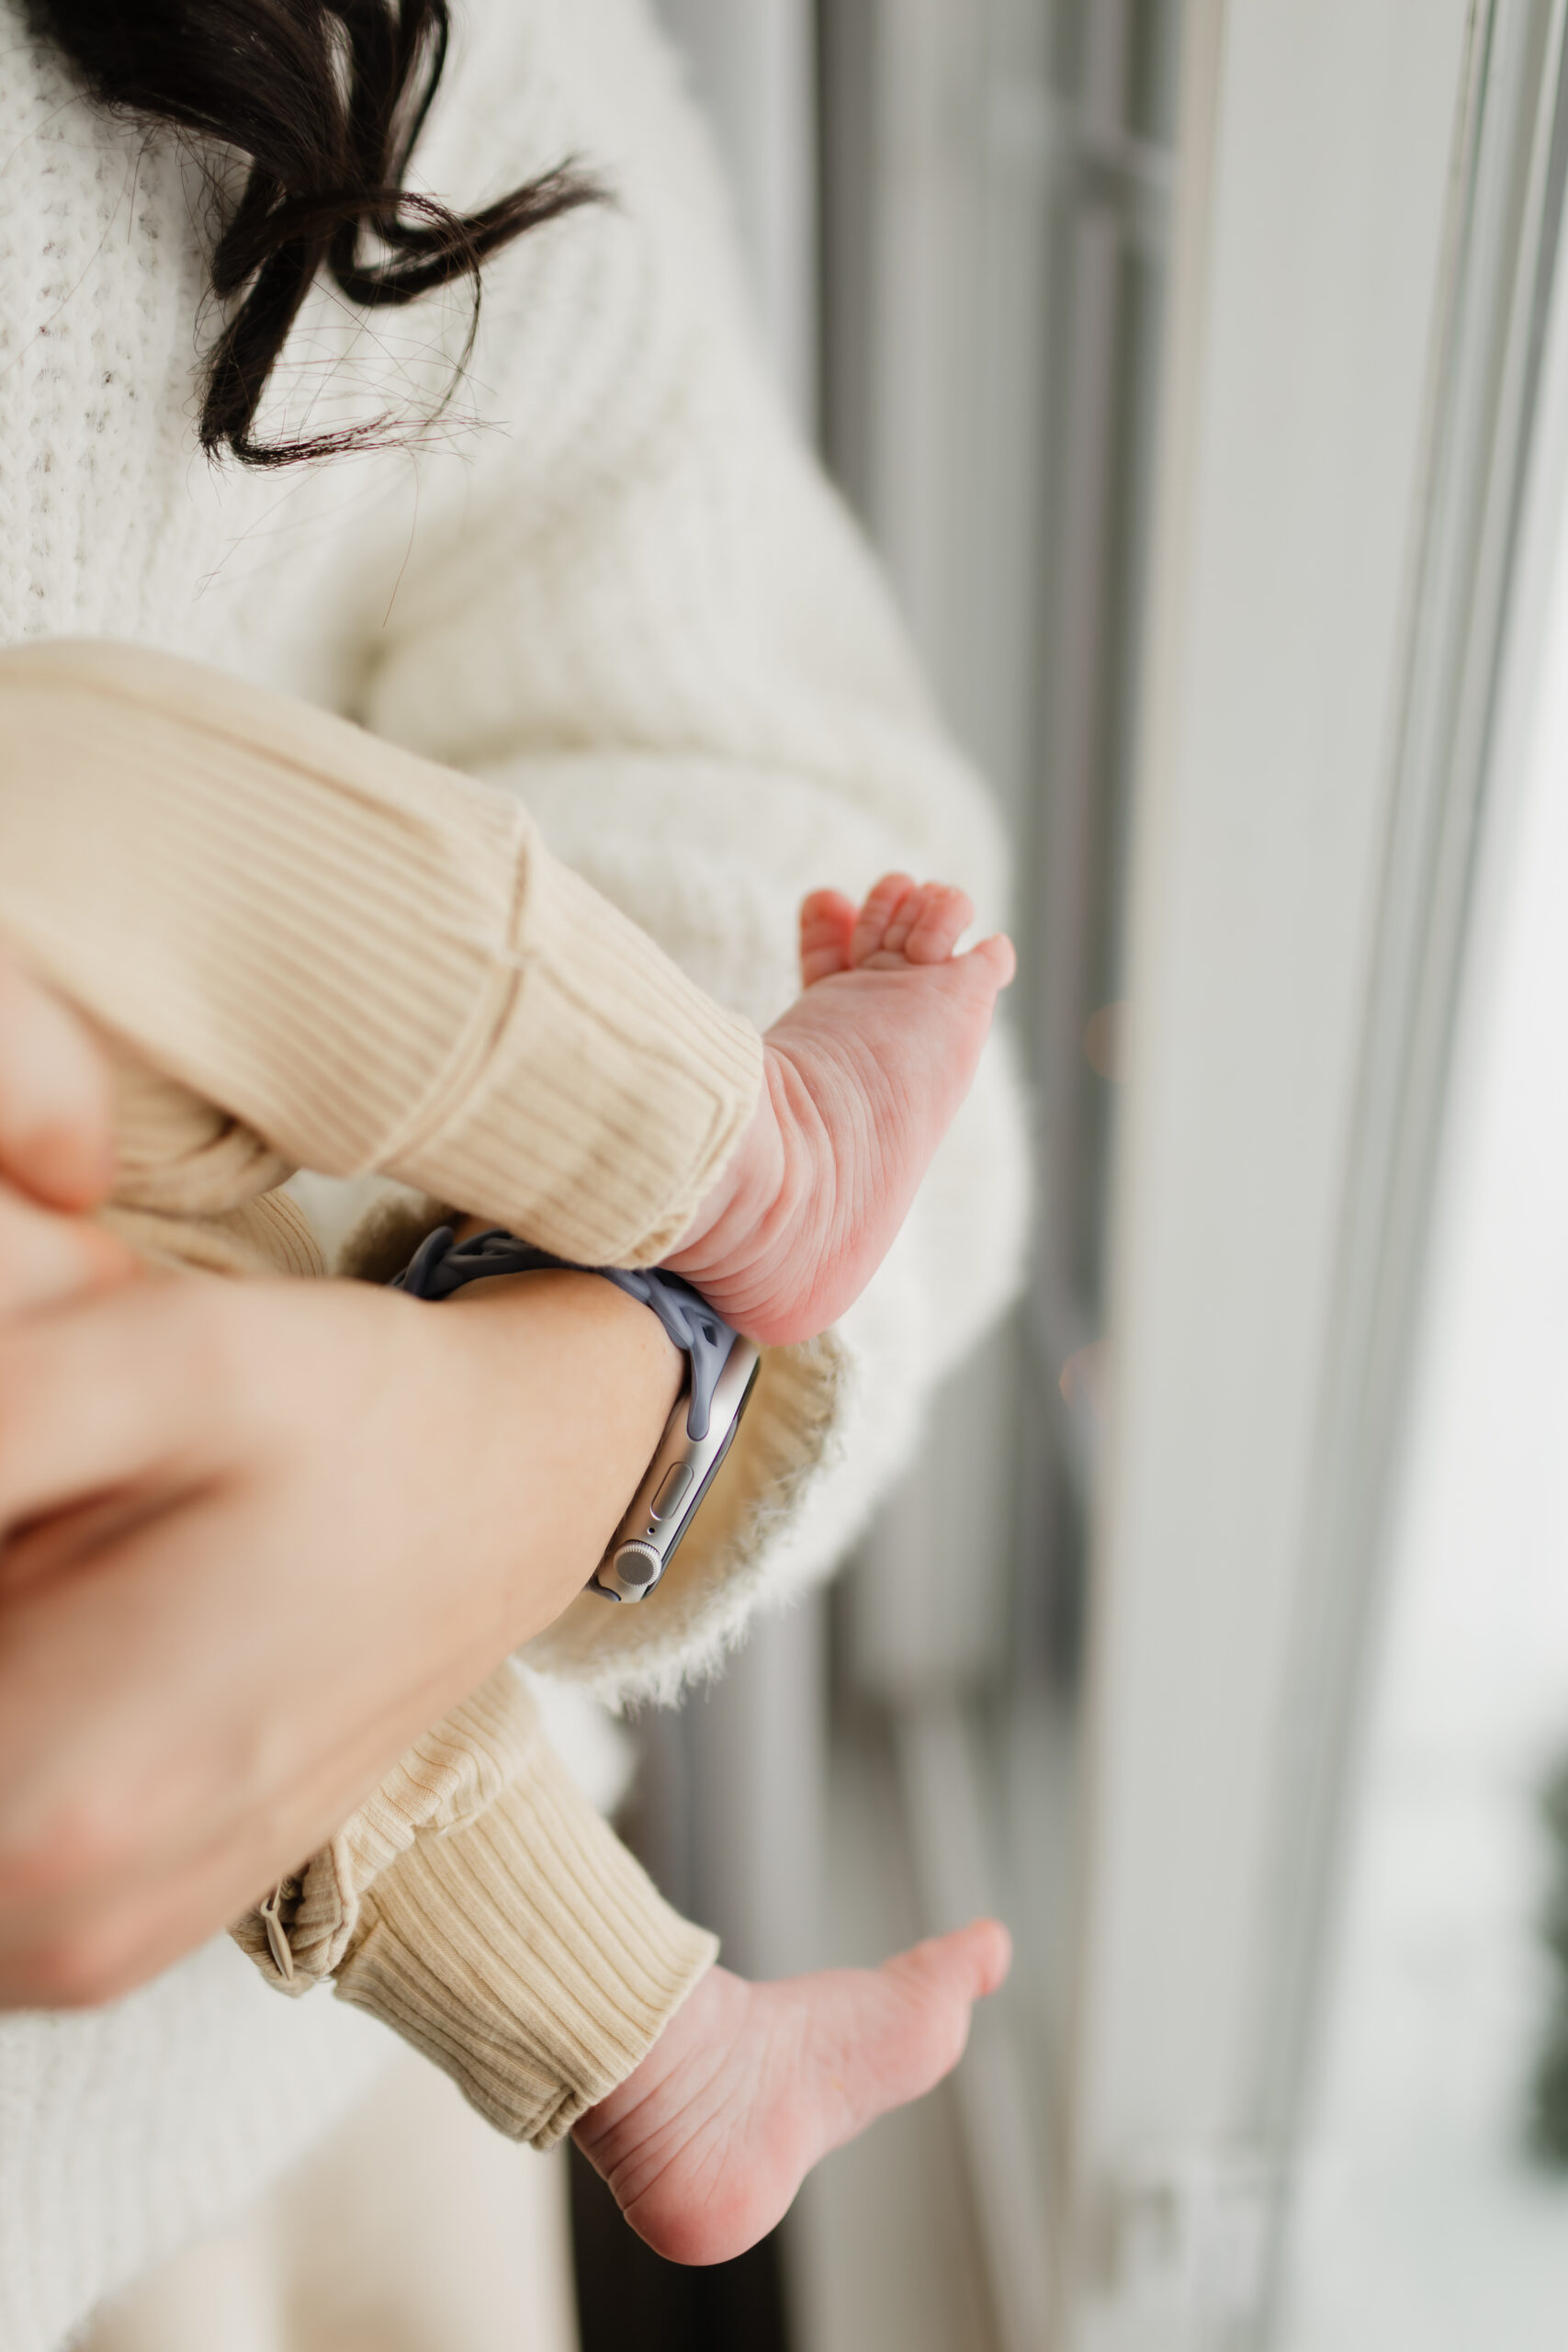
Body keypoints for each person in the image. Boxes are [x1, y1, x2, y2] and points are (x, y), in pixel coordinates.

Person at [0, 3, 1031, 2343]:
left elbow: (765, 783)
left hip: (241, 2191)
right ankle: (657, 2045)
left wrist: (554, 1425)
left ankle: (645, 2035)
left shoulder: (458, 63)